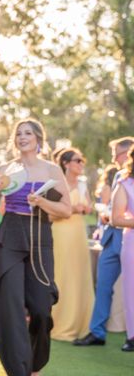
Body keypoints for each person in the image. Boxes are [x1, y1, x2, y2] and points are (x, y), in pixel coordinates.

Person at [0, 118, 71, 376]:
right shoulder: (5, 168)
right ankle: (19, 369)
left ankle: (33, 363)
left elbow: (67, 209)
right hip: (8, 235)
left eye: (28, 133)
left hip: (39, 236)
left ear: (38, 139)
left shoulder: (52, 170)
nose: (22, 137)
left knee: (41, 308)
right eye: (18, 133)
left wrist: (42, 202)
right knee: (10, 305)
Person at [74, 137, 134, 347]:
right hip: (111, 238)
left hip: (130, 239)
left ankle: (131, 336)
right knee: (103, 286)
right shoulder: (119, 176)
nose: (113, 158)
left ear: (127, 154)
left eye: (116, 153)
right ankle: (97, 332)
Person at [50, 148, 94, 342]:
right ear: (66, 163)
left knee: (80, 276)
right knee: (62, 275)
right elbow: (50, 213)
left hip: (78, 234)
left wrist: (85, 209)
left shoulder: (84, 185)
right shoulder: (58, 184)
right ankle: (58, 323)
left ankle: (82, 325)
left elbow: (89, 206)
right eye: (77, 160)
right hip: (61, 233)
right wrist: (72, 209)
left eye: (82, 161)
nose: (81, 164)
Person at [110, 146, 134, 351]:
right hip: (132, 243)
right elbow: (116, 218)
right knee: (132, 289)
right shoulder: (124, 184)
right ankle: (133, 336)